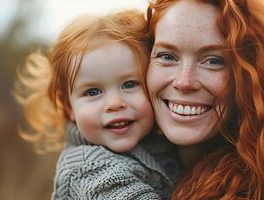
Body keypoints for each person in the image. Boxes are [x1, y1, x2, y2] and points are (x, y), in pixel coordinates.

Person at [15, 10, 181, 200]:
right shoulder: (86, 168)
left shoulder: (161, 143)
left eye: (129, 84)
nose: (114, 104)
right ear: (69, 108)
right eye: (93, 92)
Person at [146, 0, 264, 199]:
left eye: (214, 61)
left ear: (254, 77)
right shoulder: (105, 162)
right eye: (166, 56)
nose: (183, 82)